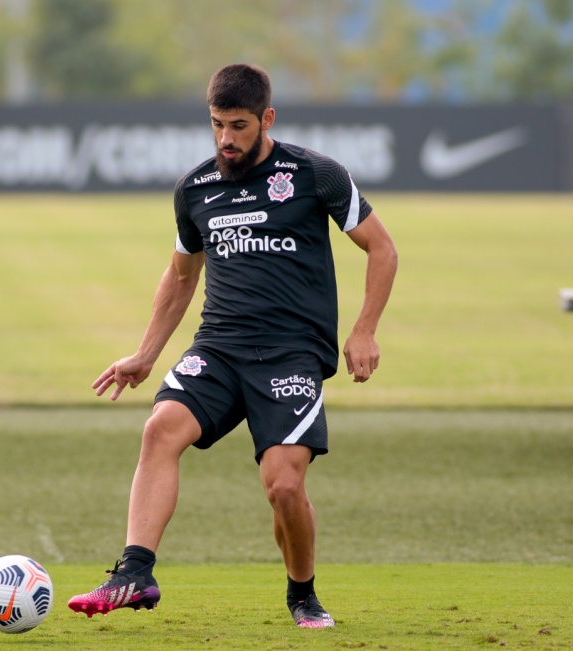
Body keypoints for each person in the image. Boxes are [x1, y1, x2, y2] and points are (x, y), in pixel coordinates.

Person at [67, 63, 398, 629]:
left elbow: (383, 249)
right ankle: (134, 573)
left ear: (267, 118)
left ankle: (302, 594)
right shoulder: (195, 189)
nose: (226, 138)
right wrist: (145, 355)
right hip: (218, 348)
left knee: (285, 486)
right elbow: (179, 277)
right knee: (159, 428)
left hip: (292, 353)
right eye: (217, 124)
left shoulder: (316, 174)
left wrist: (364, 329)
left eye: (239, 125)